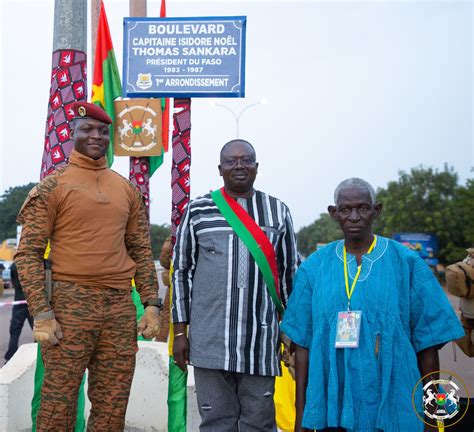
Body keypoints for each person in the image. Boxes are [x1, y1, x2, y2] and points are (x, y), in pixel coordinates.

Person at [15, 102, 161, 431]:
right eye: (87, 129)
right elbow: (29, 253)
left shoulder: (126, 189)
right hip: (68, 305)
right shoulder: (53, 187)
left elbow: (139, 247)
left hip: (119, 307)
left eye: (102, 131)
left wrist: (151, 304)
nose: (95, 135)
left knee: (113, 401)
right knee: (58, 401)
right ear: (72, 135)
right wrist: (41, 312)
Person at [281, 178, 465, 432]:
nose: (354, 216)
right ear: (334, 214)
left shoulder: (406, 263)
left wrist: (432, 417)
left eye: (362, 208)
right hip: (333, 404)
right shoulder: (314, 267)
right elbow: (302, 347)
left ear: (376, 210)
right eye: (345, 209)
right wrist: (302, 417)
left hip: (394, 400)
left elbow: (428, 344)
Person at [172, 139, 298, 431]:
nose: (239, 165)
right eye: (231, 161)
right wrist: (180, 331)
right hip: (210, 339)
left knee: (258, 421)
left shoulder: (278, 211)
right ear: (220, 168)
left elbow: (290, 273)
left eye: (246, 160)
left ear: (256, 167)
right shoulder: (198, 210)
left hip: (260, 339)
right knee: (217, 421)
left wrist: (292, 334)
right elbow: (181, 271)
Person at [4, 261, 33, 363]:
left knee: (15, 331)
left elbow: (14, 282)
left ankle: (10, 356)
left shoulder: (14, 265)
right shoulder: (32, 262)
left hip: (19, 300)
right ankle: (40, 356)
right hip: (32, 300)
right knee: (38, 330)